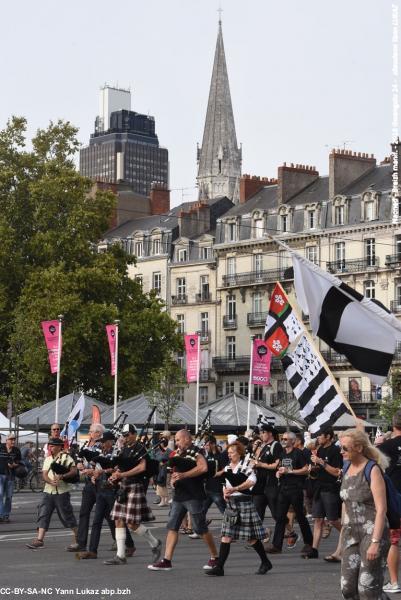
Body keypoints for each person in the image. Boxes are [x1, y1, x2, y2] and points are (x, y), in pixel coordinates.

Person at [148, 429, 218, 571]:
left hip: (193, 495)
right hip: (179, 495)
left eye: (179, 440)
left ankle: (215, 557)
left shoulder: (197, 451)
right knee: (172, 526)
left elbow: (203, 468)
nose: (177, 443)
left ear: (187, 439)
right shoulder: (177, 453)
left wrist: (184, 475)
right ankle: (167, 560)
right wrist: (173, 480)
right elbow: (174, 472)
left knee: (200, 528)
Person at [206, 440, 273, 577]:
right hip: (231, 504)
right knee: (226, 535)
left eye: (232, 453)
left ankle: (265, 562)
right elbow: (224, 482)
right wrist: (225, 491)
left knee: (251, 538)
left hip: (244, 503)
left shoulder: (246, 465)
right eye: (228, 452)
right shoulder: (227, 467)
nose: (229, 455)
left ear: (239, 453)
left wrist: (236, 488)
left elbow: (251, 482)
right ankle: (220, 568)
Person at [339, 428, 390, 600]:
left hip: (372, 532)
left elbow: (382, 508)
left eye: (345, 448)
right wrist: (341, 537)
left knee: (367, 589)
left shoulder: (372, 469)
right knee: (347, 588)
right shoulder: (346, 467)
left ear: (359, 448)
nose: (341, 451)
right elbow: (345, 503)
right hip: (351, 534)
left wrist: (375, 542)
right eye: (341, 447)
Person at [105, 423, 161, 566]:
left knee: (132, 523)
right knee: (118, 519)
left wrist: (122, 473)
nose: (125, 437)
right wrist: (115, 474)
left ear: (134, 434)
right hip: (123, 485)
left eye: (128, 434)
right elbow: (119, 466)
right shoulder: (124, 449)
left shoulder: (140, 448)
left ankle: (155, 543)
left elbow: (142, 467)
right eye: (124, 435)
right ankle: (120, 555)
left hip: (135, 485)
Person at [77, 430, 135, 560]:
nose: (102, 444)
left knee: (116, 520)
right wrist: (92, 474)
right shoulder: (100, 453)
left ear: (111, 441)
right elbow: (96, 468)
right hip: (100, 488)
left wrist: (101, 471)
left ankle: (130, 544)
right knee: (97, 520)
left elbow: (116, 468)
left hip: (111, 489)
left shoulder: (117, 452)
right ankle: (93, 551)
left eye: (104, 442)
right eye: (101, 442)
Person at [266, 431, 313, 555]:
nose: (284, 441)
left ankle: (309, 543)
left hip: (295, 488)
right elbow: (280, 467)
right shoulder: (282, 454)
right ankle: (276, 545)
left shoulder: (299, 453)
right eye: (283, 438)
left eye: (286, 439)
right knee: (280, 517)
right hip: (284, 488)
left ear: (293, 441)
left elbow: (305, 470)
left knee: (300, 516)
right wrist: (279, 472)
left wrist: (290, 471)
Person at [26, 437, 78, 549]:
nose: (51, 447)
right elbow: (44, 474)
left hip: (62, 492)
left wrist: (63, 476)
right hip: (48, 491)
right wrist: (50, 481)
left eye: (53, 445)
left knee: (66, 516)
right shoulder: (48, 459)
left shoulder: (66, 457)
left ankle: (78, 539)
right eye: (50, 445)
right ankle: (39, 540)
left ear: (60, 446)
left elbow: (74, 471)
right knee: (43, 514)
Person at [304, 427, 343, 559]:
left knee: (333, 520)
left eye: (320, 436)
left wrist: (321, 462)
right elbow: (318, 469)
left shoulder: (335, 451)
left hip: (330, 489)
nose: (318, 438)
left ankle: (347, 533)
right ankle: (314, 549)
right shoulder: (319, 449)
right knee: (318, 519)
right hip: (318, 488)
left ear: (328, 437)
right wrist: (312, 467)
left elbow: (337, 472)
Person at [67, 423, 106, 552]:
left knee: (107, 514)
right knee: (84, 513)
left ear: (98, 433)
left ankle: (122, 541)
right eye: (90, 431)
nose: (89, 433)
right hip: (89, 483)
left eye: (91, 431)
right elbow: (81, 458)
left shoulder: (103, 445)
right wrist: (79, 464)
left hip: (100, 483)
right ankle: (81, 542)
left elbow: (102, 463)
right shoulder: (87, 445)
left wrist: (90, 468)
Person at [375, 410, 401, 594]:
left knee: (395, 541)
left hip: (394, 498)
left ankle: (394, 581)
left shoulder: (385, 447)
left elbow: (376, 472)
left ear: (393, 425)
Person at [0, 433, 22, 523]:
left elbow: (19, 461)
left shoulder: (16, 450)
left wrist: (14, 465)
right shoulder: (0, 447)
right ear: (7, 440)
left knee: (9, 496)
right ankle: (1, 515)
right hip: (0, 475)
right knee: (0, 495)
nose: (13, 441)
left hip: (10, 476)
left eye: (14, 439)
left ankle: (6, 515)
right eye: (11, 439)